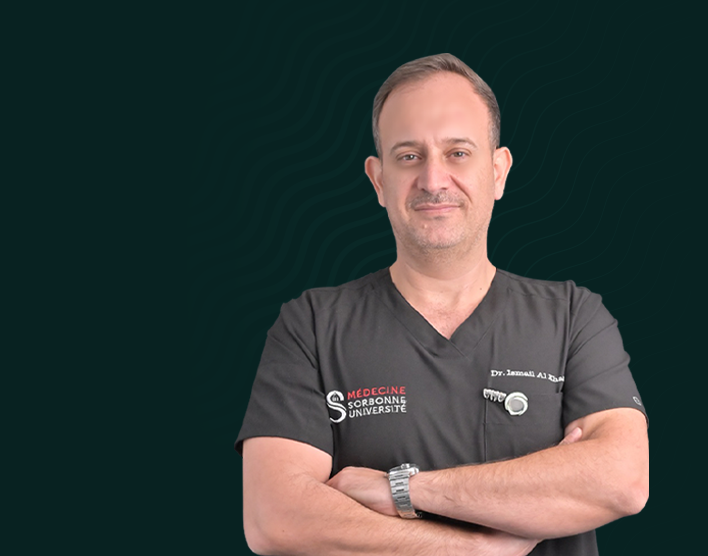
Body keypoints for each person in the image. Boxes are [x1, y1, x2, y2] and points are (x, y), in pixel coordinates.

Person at [235, 53, 649, 556]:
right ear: (378, 180)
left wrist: (405, 490)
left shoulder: (572, 317)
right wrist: (477, 550)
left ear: (498, 171)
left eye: (458, 153)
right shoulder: (312, 326)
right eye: (409, 156)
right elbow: (275, 517)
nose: (433, 181)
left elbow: (623, 479)